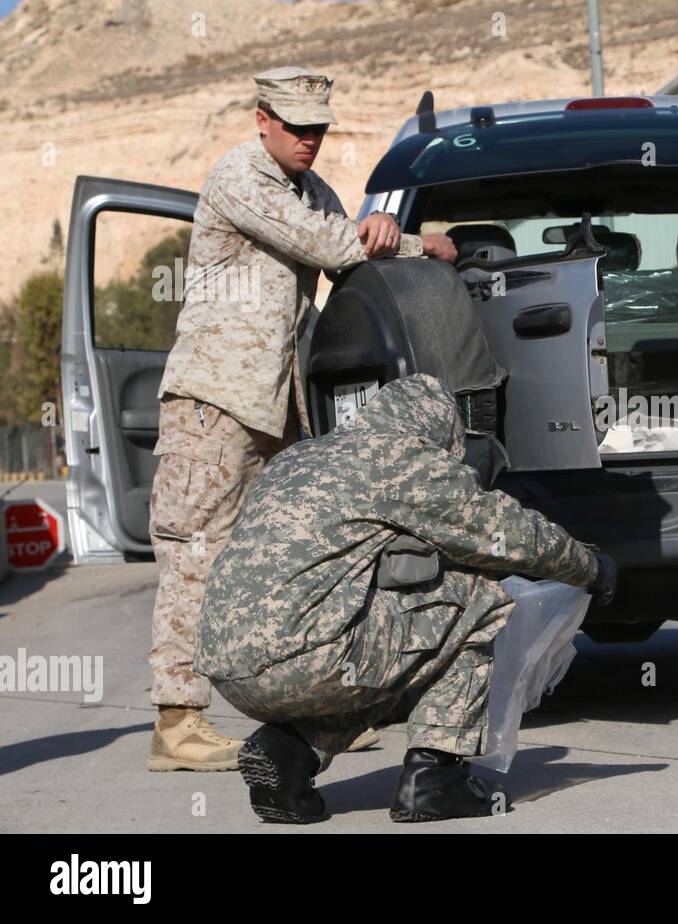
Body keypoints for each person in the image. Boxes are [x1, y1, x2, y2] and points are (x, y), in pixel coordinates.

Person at [146, 66, 459, 772]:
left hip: (280, 403)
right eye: (296, 127)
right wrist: (411, 240)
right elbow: (333, 246)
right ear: (263, 119)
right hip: (216, 400)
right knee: (195, 553)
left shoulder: (313, 189)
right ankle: (177, 720)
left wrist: (378, 235)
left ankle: (309, 709)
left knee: (283, 561)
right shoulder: (240, 176)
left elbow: (345, 260)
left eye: (319, 128)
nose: (310, 140)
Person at [193, 374, 617, 823]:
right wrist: (590, 566)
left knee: (388, 646)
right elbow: (504, 532)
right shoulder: (400, 458)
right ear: (436, 429)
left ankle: (289, 750)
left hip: (226, 668)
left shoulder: (298, 457)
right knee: (477, 597)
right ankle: (435, 779)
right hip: (306, 657)